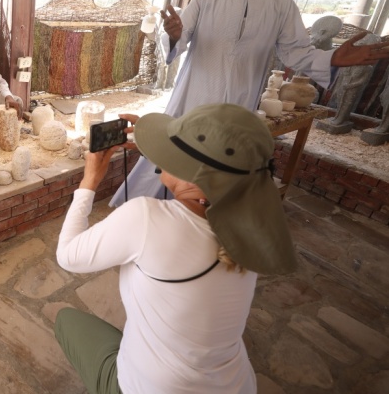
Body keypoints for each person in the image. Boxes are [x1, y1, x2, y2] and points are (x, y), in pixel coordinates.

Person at [111, 0, 389, 206]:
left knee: (219, 164)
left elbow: (296, 52)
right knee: (172, 155)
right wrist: (173, 35)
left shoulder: (281, 3)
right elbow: (179, 40)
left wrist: (333, 58)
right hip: (193, 97)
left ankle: (200, 221)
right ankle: (144, 210)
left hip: (238, 105)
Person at [56, 103, 296, 394]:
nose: (164, 155)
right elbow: (212, 174)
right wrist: (156, 140)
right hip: (237, 386)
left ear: (192, 173)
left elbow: (68, 255)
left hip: (152, 388)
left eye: (174, 152)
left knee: (66, 321)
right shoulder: (254, 227)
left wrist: (89, 181)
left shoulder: (146, 218)